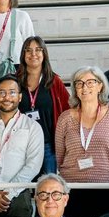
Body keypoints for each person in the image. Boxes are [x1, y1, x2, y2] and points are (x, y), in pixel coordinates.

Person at [55, 66, 109, 217]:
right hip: (72, 189)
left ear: (100, 86)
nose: (84, 87)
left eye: (90, 82)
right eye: (79, 83)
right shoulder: (65, 118)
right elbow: (60, 157)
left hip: (108, 188)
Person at [0, 75, 44, 217]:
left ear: (20, 97)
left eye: (12, 92)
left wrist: (9, 193)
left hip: (18, 197)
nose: (6, 97)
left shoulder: (32, 127)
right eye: (1, 92)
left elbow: (33, 165)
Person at [16, 36, 71, 174]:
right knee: (22, 184)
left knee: (48, 184)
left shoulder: (54, 81)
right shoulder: (14, 81)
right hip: (20, 145)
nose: (33, 54)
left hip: (47, 145)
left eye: (38, 50)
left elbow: (69, 110)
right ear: (23, 54)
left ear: (44, 53)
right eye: (28, 50)